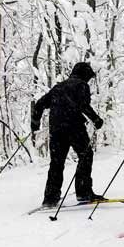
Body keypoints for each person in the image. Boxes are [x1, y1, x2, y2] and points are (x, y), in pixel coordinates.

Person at [31, 62, 105, 207]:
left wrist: (35, 124)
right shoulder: (82, 85)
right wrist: (96, 120)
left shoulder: (58, 87)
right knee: (86, 155)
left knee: (57, 163)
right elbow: (84, 105)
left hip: (56, 130)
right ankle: (83, 192)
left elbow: (39, 104)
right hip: (74, 127)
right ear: (85, 75)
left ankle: (50, 198)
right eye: (89, 77)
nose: (89, 80)